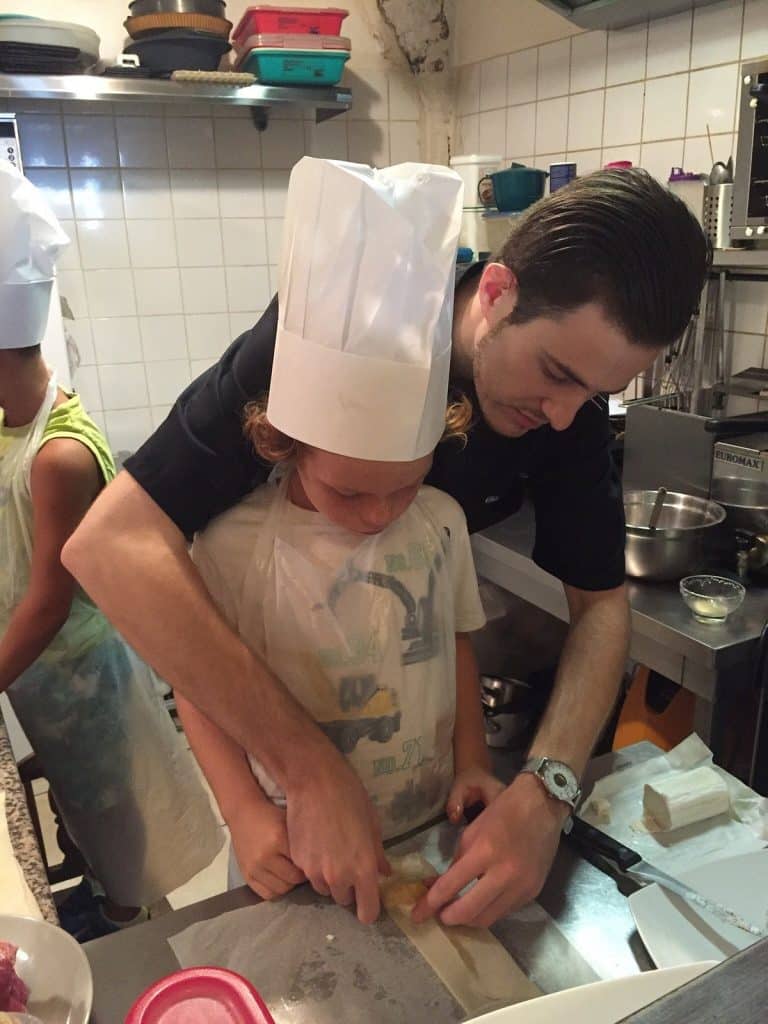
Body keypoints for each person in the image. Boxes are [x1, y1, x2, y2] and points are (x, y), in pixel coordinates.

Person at [63, 165, 710, 927]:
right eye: (555, 374)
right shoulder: (332, 332)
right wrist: (305, 773)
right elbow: (110, 546)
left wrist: (546, 793)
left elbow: (602, 608)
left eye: (596, 393)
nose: (567, 417)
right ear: (496, 291)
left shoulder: (568, 413)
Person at [176, 157, 505, 900]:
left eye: (407, 484)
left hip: (425, 833)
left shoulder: (442, 524)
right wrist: (245, 812)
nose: (382, 513)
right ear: (284, 441)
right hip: (292, 846)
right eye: (350, 491)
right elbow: (197, 686)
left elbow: (451, 643)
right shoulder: (231, 543)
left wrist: (473, 763)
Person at [0, 161, 223, 937]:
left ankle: (132, 940)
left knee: (126, 839)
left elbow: (48, 599)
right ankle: (109, 906)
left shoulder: (59, 455)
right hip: (46, 679)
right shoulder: (11, 426)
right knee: (88, 821)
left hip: (89, 683)